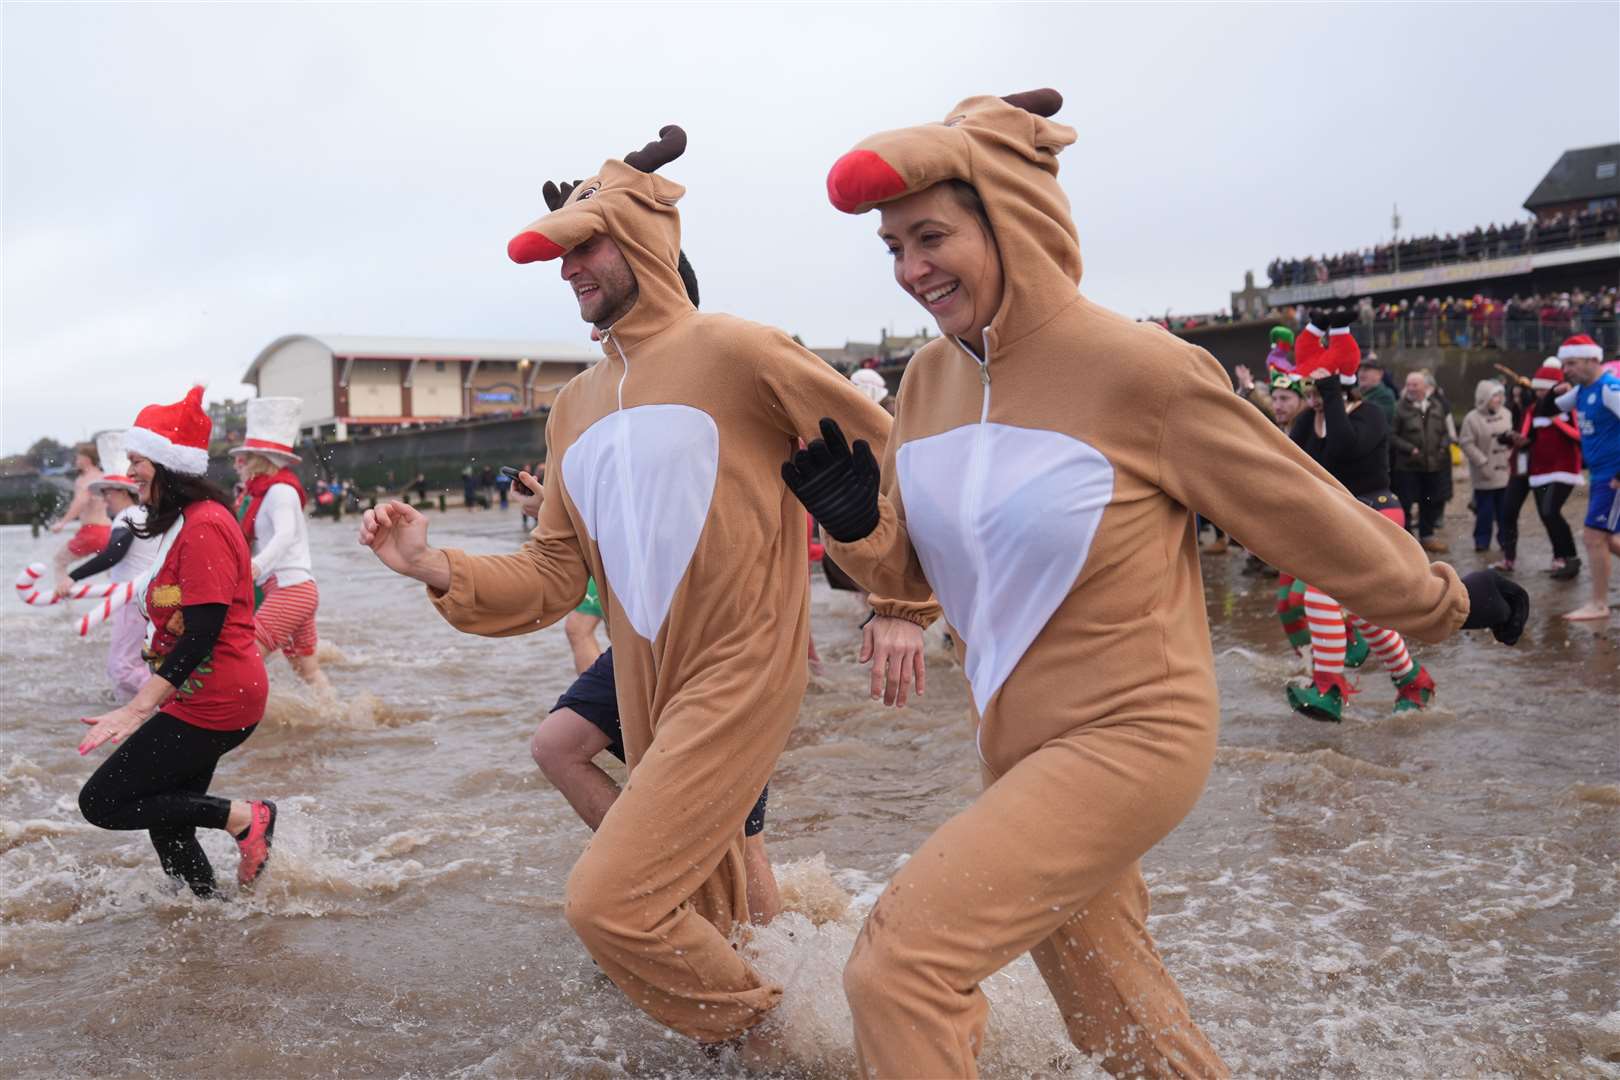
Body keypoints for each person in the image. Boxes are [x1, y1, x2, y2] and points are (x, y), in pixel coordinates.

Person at [799, 89, 1526, 1078]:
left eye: (931, 236)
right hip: (1012, 742)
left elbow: (1307, 514)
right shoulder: (929, 381)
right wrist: (854, 534)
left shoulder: (1138, 369)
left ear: (1008, 221)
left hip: (1130, 736)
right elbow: (918, 573)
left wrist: (1453, 602)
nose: (911, 267)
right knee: (1118, 1016)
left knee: (899, 970)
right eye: (893, 247)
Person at [360, 126, 933, 1049]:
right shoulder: (575, 405)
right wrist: (437, 567)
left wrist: (900, 602)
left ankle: (781, 1050)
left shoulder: (742, 350)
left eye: (585, 245)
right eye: (561, 252)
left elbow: (891, 454)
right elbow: (554, 577)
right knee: (706, 911)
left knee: (609, 901)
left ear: (643, 242)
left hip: (741, 668)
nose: (568, 270)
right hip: (643, 680)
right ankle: (795, 1019)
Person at [512, 473, 784, 925]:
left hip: (723, 639)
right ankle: (654, 868)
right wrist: (557, 517)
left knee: (739, 832)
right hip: (643, 638)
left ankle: (776, 967)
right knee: (556, 745)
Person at [75, 386, 277, 898]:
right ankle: (211, 915)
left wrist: (135, 710)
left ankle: (243, 818)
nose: (131, 473)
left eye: (138, 461)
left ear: (168, 465)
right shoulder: (188, 521)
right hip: (204, 693)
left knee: (101, 802)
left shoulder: (206, 526)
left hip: (214, 699)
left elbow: (202, 635)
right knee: (167, 819)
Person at [1285, 314, 1436, 719]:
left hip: (1377, 513)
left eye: (1319, 388)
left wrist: (1334, 397)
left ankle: (1328, 689)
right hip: (1336, 519)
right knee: (1365, 612)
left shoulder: (1369, 415)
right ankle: (1411, 680)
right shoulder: (1305, 420)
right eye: (1310, 388)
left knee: (1318, 594)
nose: (1312, 395)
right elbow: (1283, 462)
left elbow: (1340, 449)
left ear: (1338, 384)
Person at [230, 397, 330, 693]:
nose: (239, 464)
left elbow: (285, 536)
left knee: (243, 659)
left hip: (290, 589)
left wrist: (254, 567)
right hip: (295, 589)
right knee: (307, 670)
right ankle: (337, 716)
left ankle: (244, 720)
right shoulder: (266, 493)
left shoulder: (280, 491)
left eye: (245, 458)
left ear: (260, 460)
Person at [57, 431, 165, 700]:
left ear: (121, 491)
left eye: (106, 493)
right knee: (140, 663)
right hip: (150, 600)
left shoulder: (127, 516)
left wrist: (73, 576)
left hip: (133, 602)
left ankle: (160, 705)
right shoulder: (149, 515)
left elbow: (114, 553)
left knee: (123, 668)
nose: (103, 500)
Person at [1552, 334, 1620, 620]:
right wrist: (1549, 390)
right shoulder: (1581, 391)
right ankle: (1599, 602)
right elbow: (1550, 407)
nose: (1566, 369)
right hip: (1598, 475)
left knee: (1593, 536)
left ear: (1594, 360)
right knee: (1610, 540)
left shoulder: (1609, 389)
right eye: (1564, 364)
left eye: (1572, 363)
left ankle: (1599, 604)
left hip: (1613, 476)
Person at [1523, 358, 1585, 579]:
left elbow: (1579, 436)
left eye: (1543, 390)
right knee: (1545, 515)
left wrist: (1557, 421)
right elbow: (1527, 437)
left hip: (1565, 469)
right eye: (1537, 390)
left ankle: (1571, 557)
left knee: (1551, 510)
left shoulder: (1568, 406)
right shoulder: (1533, 409)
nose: (1540, 394)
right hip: (1540, 471)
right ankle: (1559, 557)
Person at [1392, 370, 1452, 551]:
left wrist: (1443, 445)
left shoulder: (1436, 406)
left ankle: (1427, 536)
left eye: (1415, 385)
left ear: (1425, 387)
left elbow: (1444, 431)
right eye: (1408, 384)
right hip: (1408, 466)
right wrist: (1410, 449)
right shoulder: (1399, 407)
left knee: (1430, 501)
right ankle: (1407, 540)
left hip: (1433, 465)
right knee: (1406, 503)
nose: (1410, 388)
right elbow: (1391, 435)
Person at [1458, 379, 1513, 554]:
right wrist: (1482, 462)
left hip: (1505, 470)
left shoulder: (1506, 413)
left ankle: (1505, 540)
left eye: (1500, 395)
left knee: (1505, 510)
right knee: (1484, 512)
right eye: (1494, 396)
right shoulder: (1471, 418)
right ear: (1484, 398)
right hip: (1484, 473)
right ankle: (1482, 541)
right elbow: (1466, 443)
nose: (1498, 399)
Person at [50, 441, 112, 591]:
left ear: (87, 459)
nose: (76, 462)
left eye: (78, 458)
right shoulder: (106, 476)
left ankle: (66, 606)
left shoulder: (83, 480)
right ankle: (118, 600)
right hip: (109, 531)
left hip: (91, 532)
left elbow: (81, 501)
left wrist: (62, 523)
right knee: (112, 567)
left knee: (59, 561)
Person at [1357, 352, 1397, 426]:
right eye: (1360, 369)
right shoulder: (1354, 392)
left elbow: (1375, 419)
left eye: (1366, 370)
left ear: (1379, 374)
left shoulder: (1385, 395)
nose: (1361, 373)